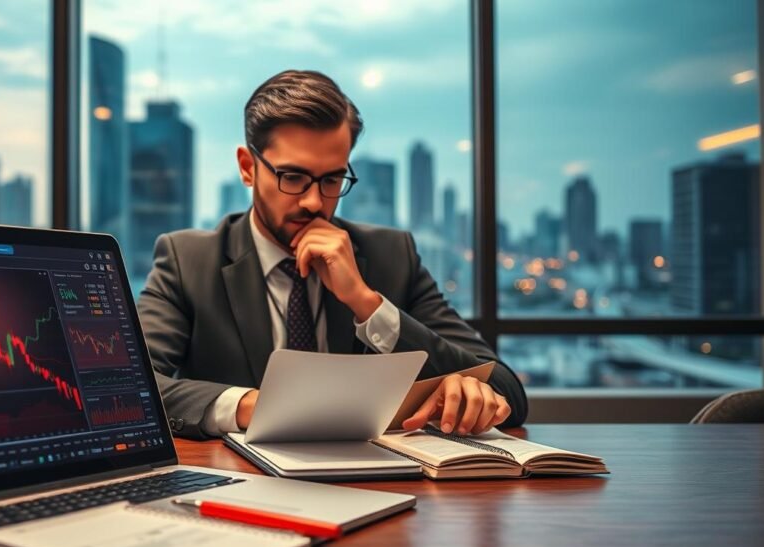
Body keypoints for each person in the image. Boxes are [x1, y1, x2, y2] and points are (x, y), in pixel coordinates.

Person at [137, 70, 527, 439]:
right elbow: (131, 382)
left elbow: (508, 390)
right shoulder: (189, 260)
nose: (313, 201)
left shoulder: (392, 255)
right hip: (238, 484)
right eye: (292, 177)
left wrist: (367, 304)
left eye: (331, 180)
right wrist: (253, 405)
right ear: (247, 167)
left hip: (377, 487)